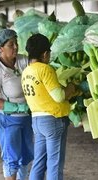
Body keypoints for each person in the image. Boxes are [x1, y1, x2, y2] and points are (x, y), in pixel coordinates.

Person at [21, 33, 79, 180]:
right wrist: (71, 87)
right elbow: (59, 96)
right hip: (53, 120)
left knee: (39, 163)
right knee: (54, 164)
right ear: (45, 53)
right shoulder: (45, 69)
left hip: (37, 121)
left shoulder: (26, 71)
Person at [0, 29, 33, 180]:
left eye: (16, 43)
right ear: (0, 48)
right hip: (8, 118)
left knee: (26, 154)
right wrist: (16, 108)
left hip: (27, 116)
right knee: (11, 156)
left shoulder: (23, 60)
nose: (16, 47)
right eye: (11, 44)